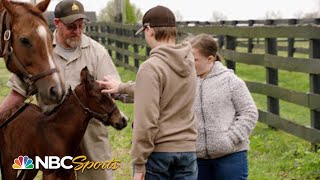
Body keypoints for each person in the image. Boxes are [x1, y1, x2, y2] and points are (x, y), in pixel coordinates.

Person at [0, 0, 121, 179]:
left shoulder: (97, 52)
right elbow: (18, 93)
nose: (78, 31)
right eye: (72, 26)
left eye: (81, 26)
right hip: (52, 144)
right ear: (57, 23)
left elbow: (114, 90)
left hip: (91, 143)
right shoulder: (40, 48)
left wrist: (124, 90)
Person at [99, 5, 198, 180]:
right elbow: (165, 90)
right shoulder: (189, 61)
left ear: (149, 30)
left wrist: (138, 163)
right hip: (187, 151)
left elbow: (147, 122)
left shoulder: (150, 68)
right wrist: (121, 87)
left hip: (158, 155)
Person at [188, 33, 258, 180]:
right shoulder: (185, 83)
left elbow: (249, 112)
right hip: (197, 159)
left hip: (230, 157)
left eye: (194, 60)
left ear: (210, 59)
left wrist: (230, 139)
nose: (189, 63)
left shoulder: (231, 81)